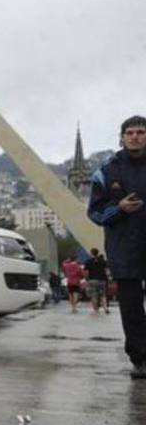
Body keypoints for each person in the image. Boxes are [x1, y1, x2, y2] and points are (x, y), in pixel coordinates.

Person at [88, 115, 146, 378]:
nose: (135, 136)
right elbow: (94, 212)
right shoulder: (106, 171)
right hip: (124, 248)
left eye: (141, 132)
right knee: (131, 307)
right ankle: (140, 359)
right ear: (121, 137)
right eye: (130, 132)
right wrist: (118, 209)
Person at [83, 248, 109, 314]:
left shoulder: (88, 261)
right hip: (102, 280)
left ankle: (95, 310)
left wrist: (87, 279)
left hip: (92, 280)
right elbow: (106, 271)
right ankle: (105, 308)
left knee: (94, 296)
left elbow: (86, 272)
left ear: (91, 253)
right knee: (103, 295)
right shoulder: (102, 260)